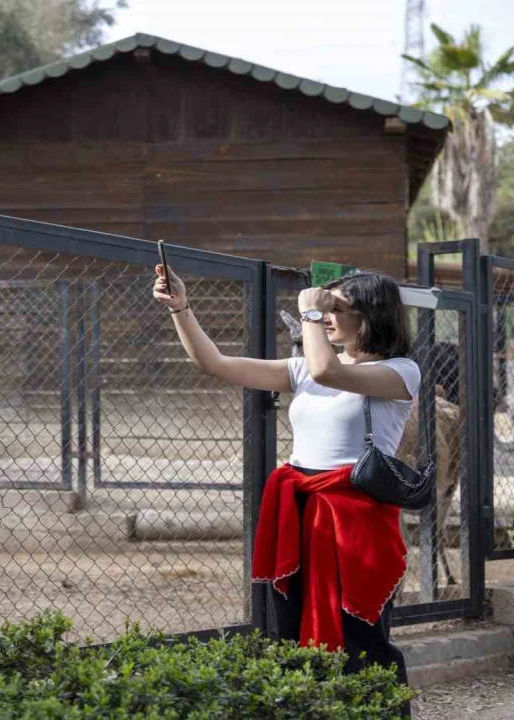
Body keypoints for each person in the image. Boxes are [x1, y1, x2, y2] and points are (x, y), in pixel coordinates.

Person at [152, 262, 415, 712]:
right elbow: (214, 363)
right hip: (300, 511)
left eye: (337, 308)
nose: (326, 315)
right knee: (292, 626)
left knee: (360, 632)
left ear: (373, 315)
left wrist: (309, 312)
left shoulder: (400, 372)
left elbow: (328, 372)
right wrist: (181, 308)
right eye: (324, 307)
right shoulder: (304, 368)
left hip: (357, 517)